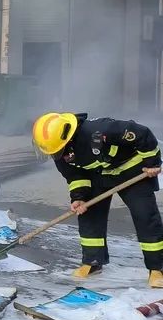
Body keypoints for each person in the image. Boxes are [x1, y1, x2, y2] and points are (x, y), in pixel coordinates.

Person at [32, 111, 163, 288]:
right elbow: (75, 175)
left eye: (58, 151)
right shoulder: (59, 150)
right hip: (99, 175)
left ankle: (157, 268)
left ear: (69, 138)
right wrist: (79, 197)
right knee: (89, 215)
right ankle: (93, 262)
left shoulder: (102, 130)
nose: (57, 155)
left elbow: (141, 133)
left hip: (131, 170)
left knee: (145, 215)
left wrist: (152, 163)